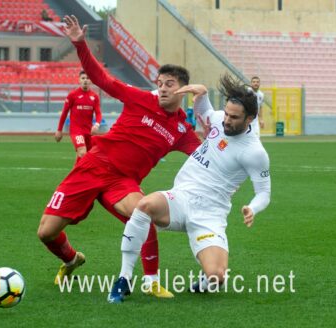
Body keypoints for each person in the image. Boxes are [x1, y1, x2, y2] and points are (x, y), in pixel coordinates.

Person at [37, 15, 201, 298]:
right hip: (92, 166)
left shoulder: (182, 130)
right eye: (160, 82)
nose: (162, 87)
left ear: (183, 89)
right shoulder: (140, 97)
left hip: (122, 182)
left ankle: (151, 282)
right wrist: (79, 44)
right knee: (46, 233)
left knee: (144, 212)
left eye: (169, 84)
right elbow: (102, 78)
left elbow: (205, 156)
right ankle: (71, 259)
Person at [108, 74, 271, 303]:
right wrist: (201, 93)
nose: (226, 121)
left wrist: (253, 208)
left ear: (250, 118)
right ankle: (124, 279)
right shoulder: (218, 120)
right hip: (181, 198)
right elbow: (204, 110)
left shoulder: (255, 152)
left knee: (217, 276)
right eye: (226, 113)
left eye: (234, 118)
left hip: (211, 214)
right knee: (144, 205)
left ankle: (205, 283)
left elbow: (264, 193)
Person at [55, 70, 102, 162]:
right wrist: (59, 130)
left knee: (87, 157)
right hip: (76, 130)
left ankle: (76, 175)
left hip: (88, 131)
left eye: (88, 78)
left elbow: (98, 113)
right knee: (82, 152)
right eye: (83, 78)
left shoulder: (94, 96)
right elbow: (64, 113)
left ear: (91, 81)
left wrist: (96, 125)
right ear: (79, 80)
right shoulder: (72, 95)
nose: (85, 80)